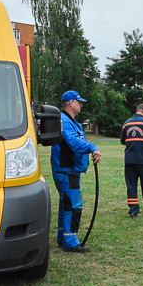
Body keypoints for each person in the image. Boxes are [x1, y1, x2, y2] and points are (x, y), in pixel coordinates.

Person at [50, 90, 101, 253]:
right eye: (79, 102)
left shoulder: (72, 122)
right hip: (65, 170)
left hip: (71, 169)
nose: (81, 105)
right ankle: (70, 241)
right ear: (71, 103)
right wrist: (92, 147)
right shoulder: (64, 121)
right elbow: (73, 142)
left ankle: (63, 237)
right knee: (73, 204)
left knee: (66, 203)